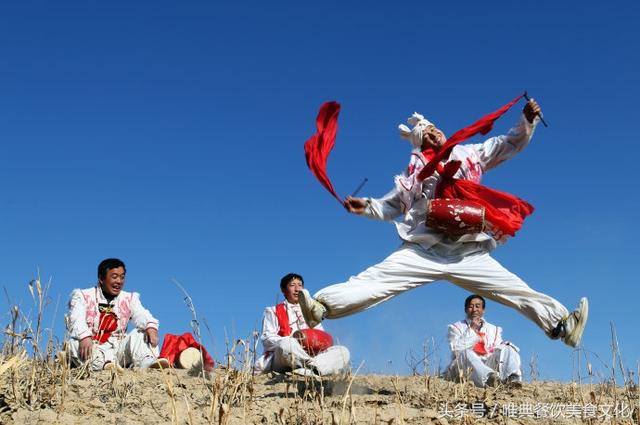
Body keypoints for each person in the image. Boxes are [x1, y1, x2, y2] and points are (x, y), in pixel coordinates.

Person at [299, 99, 588, 348]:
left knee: (514, 289)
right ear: (419, 143)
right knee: (377, 280)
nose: (433, 133)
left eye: (434, 128)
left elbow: (509, 144)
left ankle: (562, 325)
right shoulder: (414, 174)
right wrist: (367, 206)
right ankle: (322, 306)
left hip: (468, 251)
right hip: (424, 250)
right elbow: (392, 206)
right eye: (426, 134)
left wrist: (526, 120)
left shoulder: (470, 154)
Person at [66, 258, 169, 370]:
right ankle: (104, 366)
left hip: (119, 349)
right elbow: (77, 319)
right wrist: (84, 337)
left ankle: (147, 362)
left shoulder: (130, 298)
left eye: (122, 277)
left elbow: (142, 314)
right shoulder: (82, 296)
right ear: (101, 278)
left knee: (141, 332)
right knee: (73, 344)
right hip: (94, 348)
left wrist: (151, 327)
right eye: (114, 277)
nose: (119, 281)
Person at [254, 273, 350, 376]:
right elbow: (266, 338)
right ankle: (313, 367)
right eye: (292, 285)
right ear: (283, 290)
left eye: (300, 285)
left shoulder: (311, 311)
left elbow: (321, 336)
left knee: (343, 351)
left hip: (313, 354)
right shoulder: (272, 311)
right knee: (286, 344)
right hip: (284, 356)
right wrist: (293, 340)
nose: (297, 289)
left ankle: (309, 369)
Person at [447, 294, 522, 387]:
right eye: (471, 306)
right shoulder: (455, 327)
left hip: (487, 365)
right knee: (466, 353)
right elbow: (456, 350)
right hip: (463, 368)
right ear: (466, 309)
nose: (474, 309)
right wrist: (472, 329)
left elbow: (498, 352)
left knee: (507, 347)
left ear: (483, 310)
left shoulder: (494, 329)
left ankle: (511, 377)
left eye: (478, 306)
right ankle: (489, 380)